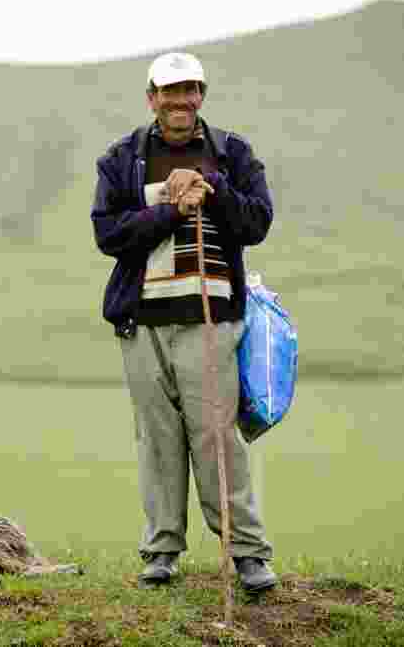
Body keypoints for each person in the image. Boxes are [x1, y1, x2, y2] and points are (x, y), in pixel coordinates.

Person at [91, 52, 276, 591]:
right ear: (152, 98)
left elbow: (258, 222)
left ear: (201, 95)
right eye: (169, 92)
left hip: (211, 321)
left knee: (217, 437)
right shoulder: (122, 159)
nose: (180, 100)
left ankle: (248, 554)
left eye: (190, 90)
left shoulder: (233, 153)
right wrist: (170, 210)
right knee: (158, 438)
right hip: (142, 321)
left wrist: (210, 191)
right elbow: (109, 234)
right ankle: (161, 551)